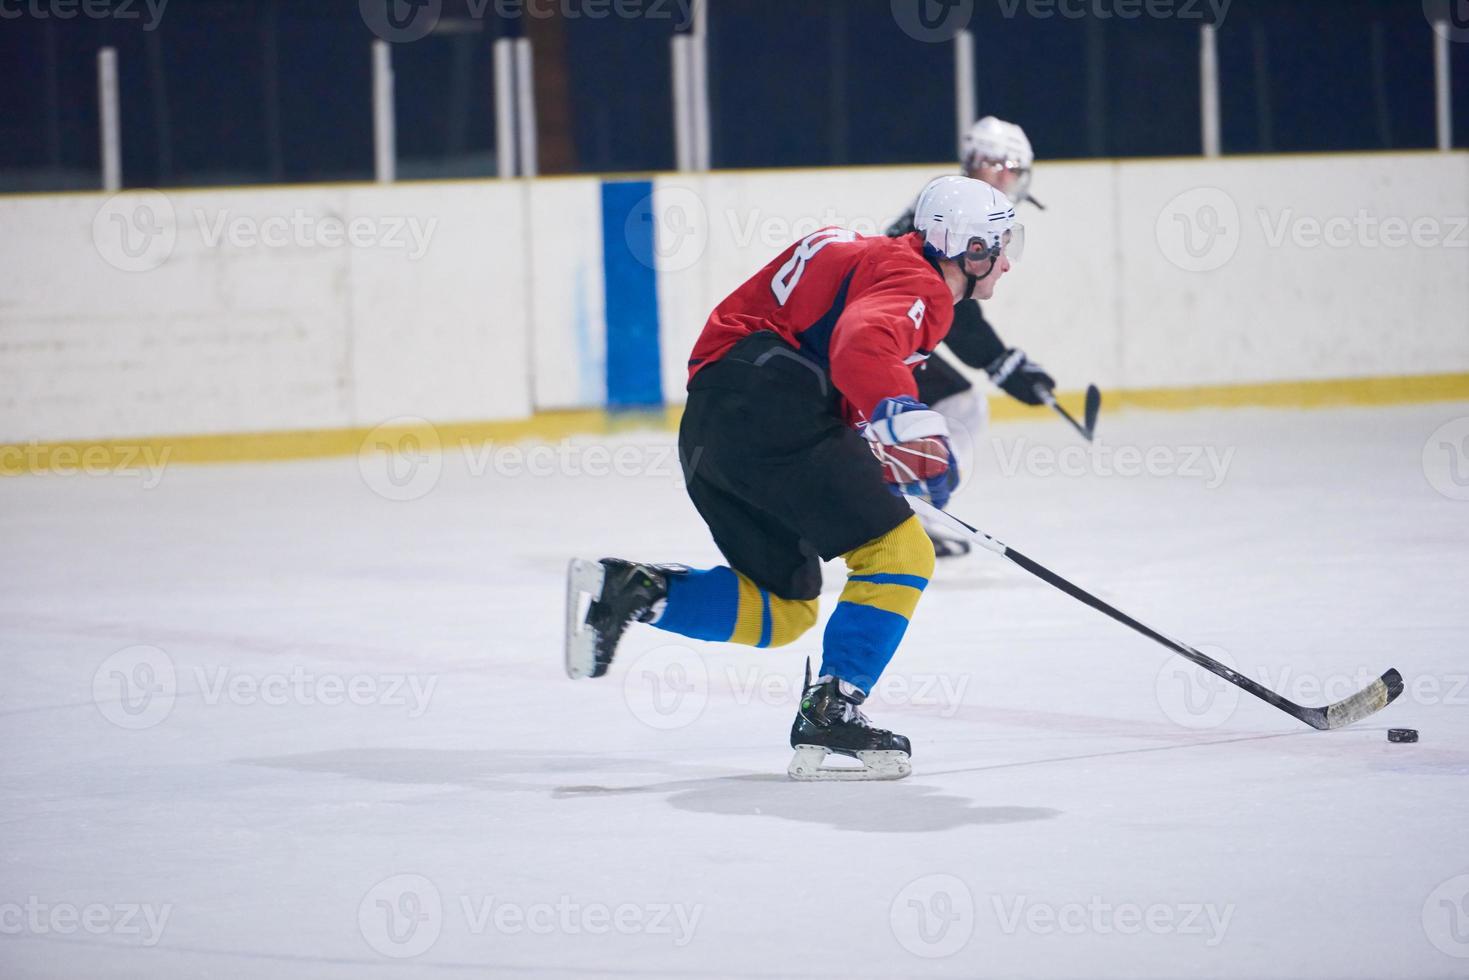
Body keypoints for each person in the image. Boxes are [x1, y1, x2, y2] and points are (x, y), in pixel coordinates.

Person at [564, 175, 1024, 781]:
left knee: (787, 609)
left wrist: (874, 434)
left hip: (713, 428)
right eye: (997, 246)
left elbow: (826, 344)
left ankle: (636, 591)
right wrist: (899, 417)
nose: (1006, 263)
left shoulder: (869, 258)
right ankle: (833, 710)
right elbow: (861, 346)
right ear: (965, 248)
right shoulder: (921, 286)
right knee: (903, 553)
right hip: (773, 412)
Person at [888, 116, 1056, 557]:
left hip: (886, 328)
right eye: (1002, 165)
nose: (1008, 177)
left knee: (951, 404)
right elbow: (946, 299)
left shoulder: (954, 203)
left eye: (1015, 168)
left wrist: (1002, 361)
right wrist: (1001, 363)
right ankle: (914, 511)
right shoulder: (961, 212)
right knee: (959, 405)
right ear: (980, 163)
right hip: (883, 333)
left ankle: (909, 504)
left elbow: (947, 303)